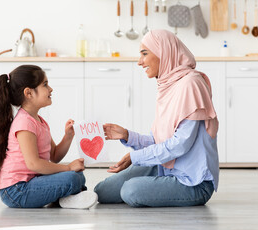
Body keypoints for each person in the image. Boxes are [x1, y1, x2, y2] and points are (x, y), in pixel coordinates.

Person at [94, 30, 219, 207]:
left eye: (145, 54)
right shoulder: (168, 85)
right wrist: (127, 135)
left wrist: (134, 157)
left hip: (192, 182)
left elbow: (180, 144)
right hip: (165, 168)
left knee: (130, 190)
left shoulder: (191, 84)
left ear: (164, 53)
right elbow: (159, 141)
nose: (139, 62)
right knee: (102, 191)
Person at [0, 65, 97, 209]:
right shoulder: (24, 123)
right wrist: (68, 167)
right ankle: (67, 198)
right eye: (45, 85)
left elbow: (55, 155)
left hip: (32, 181)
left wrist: (68, 136)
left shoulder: (39, 121)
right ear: (29, 93)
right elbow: (33, 164)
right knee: (72, 177)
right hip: (17, 191)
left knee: (77, 176)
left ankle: (66, 198)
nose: (50, 89)